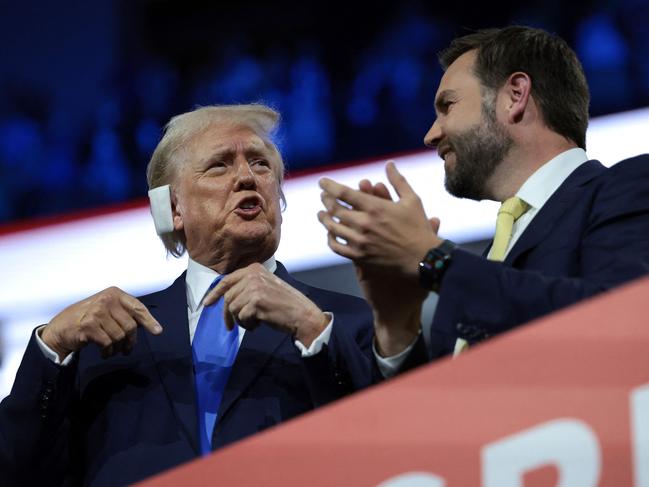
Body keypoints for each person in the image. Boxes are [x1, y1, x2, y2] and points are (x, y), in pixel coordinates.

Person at [0, 104, 373, 486]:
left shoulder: (344, 324)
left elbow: (384, 451)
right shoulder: (107, 342)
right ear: (173, 208)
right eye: (220, 166)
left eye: (261, 164)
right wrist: (52, 346)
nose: (247, 177)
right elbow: (16, 470)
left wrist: (311, 329)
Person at [318, 26, 649, 369]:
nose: (431, 135)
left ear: (515, 95)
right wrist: (396, 324)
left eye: (447, 105)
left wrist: (433, 260)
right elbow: (445, 412)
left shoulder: (628, 187)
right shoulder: (490, 262)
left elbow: (620, 322)